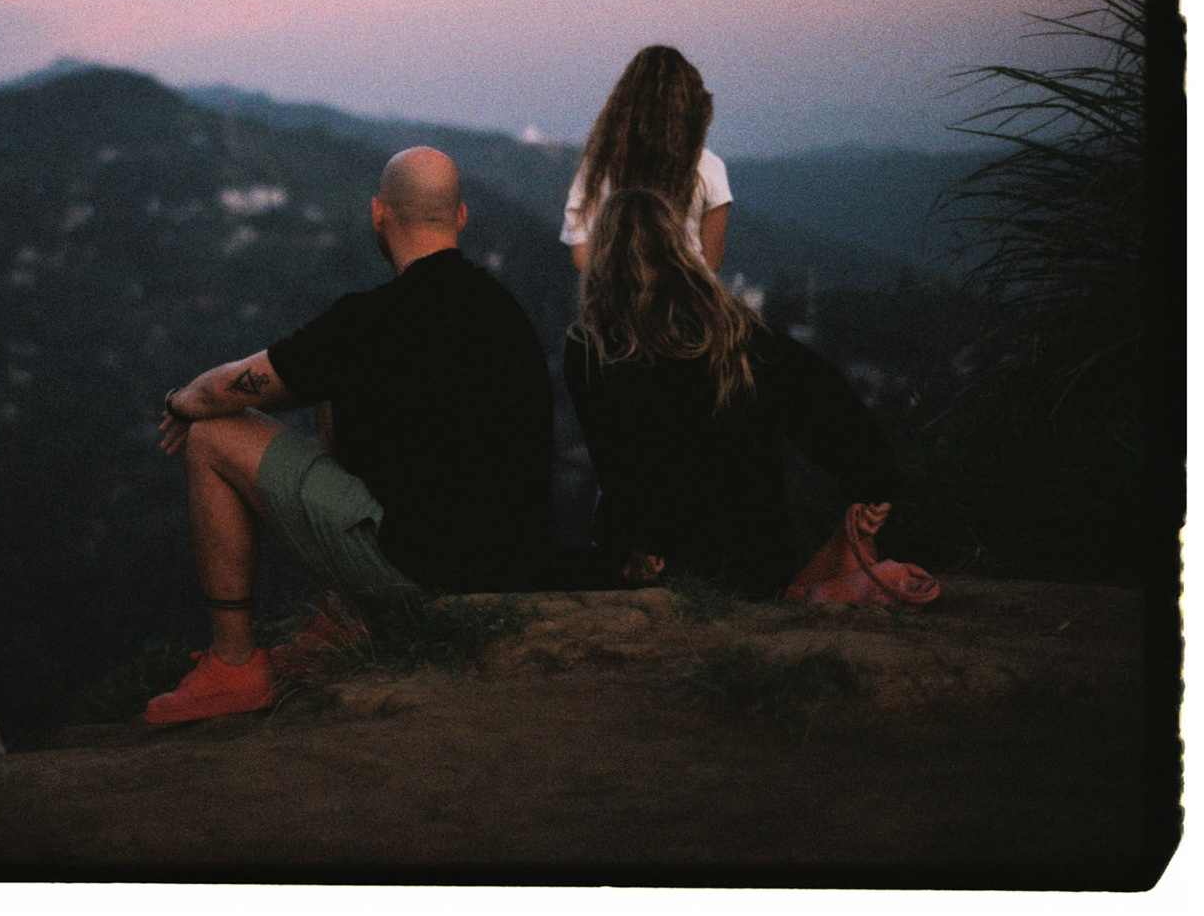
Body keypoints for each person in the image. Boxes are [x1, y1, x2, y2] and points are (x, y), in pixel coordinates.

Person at [147, 147, 558, 725]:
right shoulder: (505, 312)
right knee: (334, 389)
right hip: (515, 569)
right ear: (461, 218)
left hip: (430, 574)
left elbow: (224, 395)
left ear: (377, 214)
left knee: (212, 437)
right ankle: (350, 618)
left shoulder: (371, 319)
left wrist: (182, 401)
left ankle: (234, 667)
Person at [563, 187, 893, 596]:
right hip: (752, 556)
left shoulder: (592, 348)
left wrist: (639, 542)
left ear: (604, 255)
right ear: (679, 246)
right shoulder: (737, 330)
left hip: (664, 559)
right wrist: (872, 482)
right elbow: (821, 399)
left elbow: (615, 461)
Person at [563, 44, 732, 272]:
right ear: (691, 105)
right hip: (684, 303)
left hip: (615, 303)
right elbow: (713, 259)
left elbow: (581, 253)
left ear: (625, 103)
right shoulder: (709, 167)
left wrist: (620, 283)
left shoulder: (598, 165)